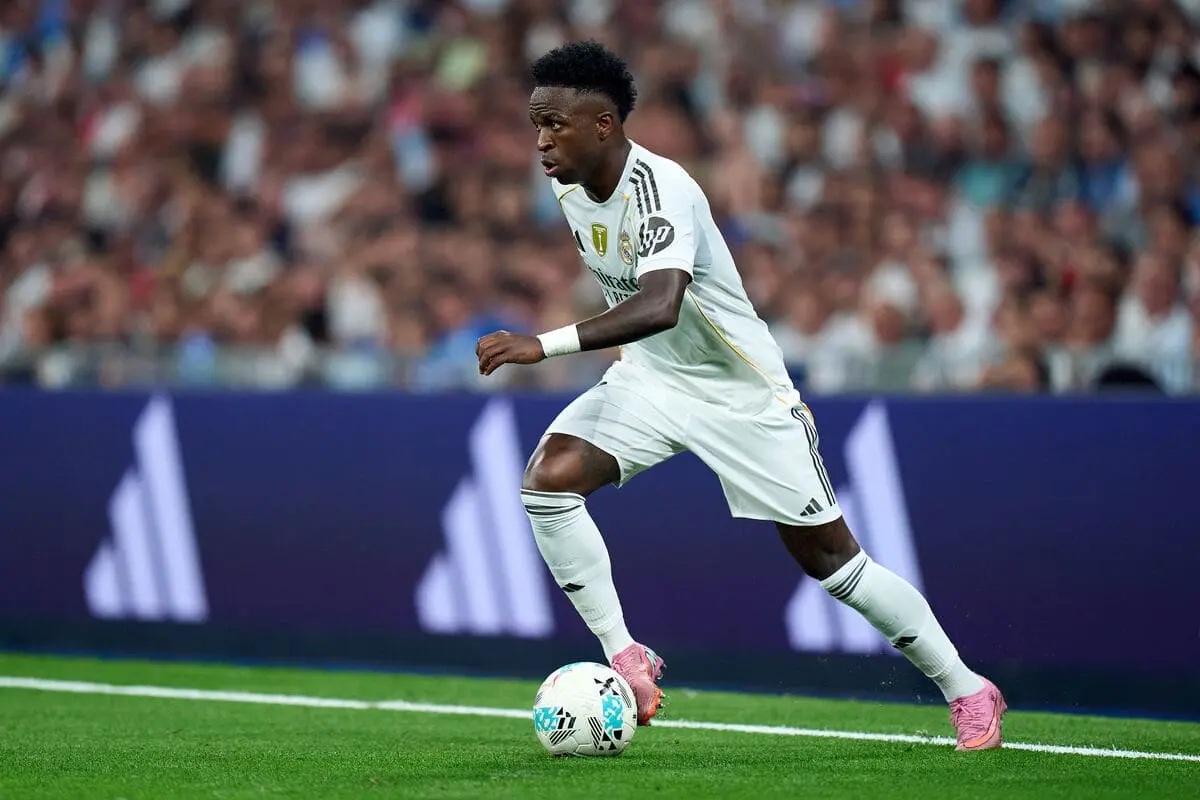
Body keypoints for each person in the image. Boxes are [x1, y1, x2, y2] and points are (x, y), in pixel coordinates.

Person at [475, 41, 1006, 751]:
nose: (540, 141)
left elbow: (661, 302)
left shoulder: (664, 189)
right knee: (547, 483)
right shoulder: (568, 185)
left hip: (741, 395)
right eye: (535, 124)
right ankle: (627, 657)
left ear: (603, 125)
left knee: (835, 565)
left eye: (554, 124)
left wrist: (543, 344)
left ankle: (967, 687)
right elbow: (647, 322)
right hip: (653, 379)